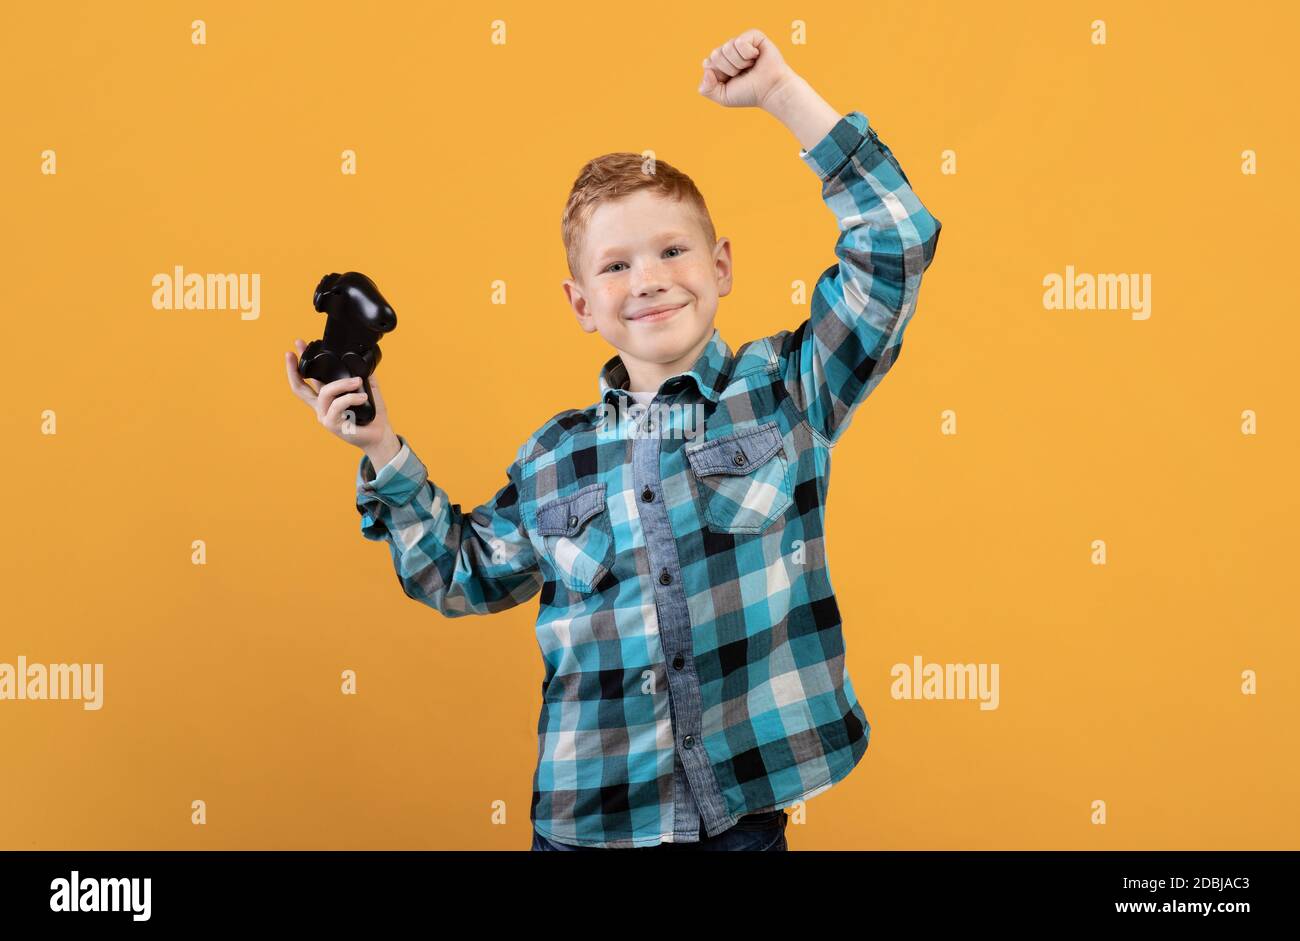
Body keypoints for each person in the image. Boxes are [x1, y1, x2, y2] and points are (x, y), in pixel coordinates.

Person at [284, 28, 941, 851]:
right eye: (616, 265)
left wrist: (781, 95)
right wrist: (381, 447)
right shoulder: (554, 457)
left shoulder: (787, 390)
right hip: (586, 825)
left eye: (672, 250)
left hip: (740, 817)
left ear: (722, 265)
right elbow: (459, 574)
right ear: (580, 303)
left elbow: (897, 242)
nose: (650, 279)